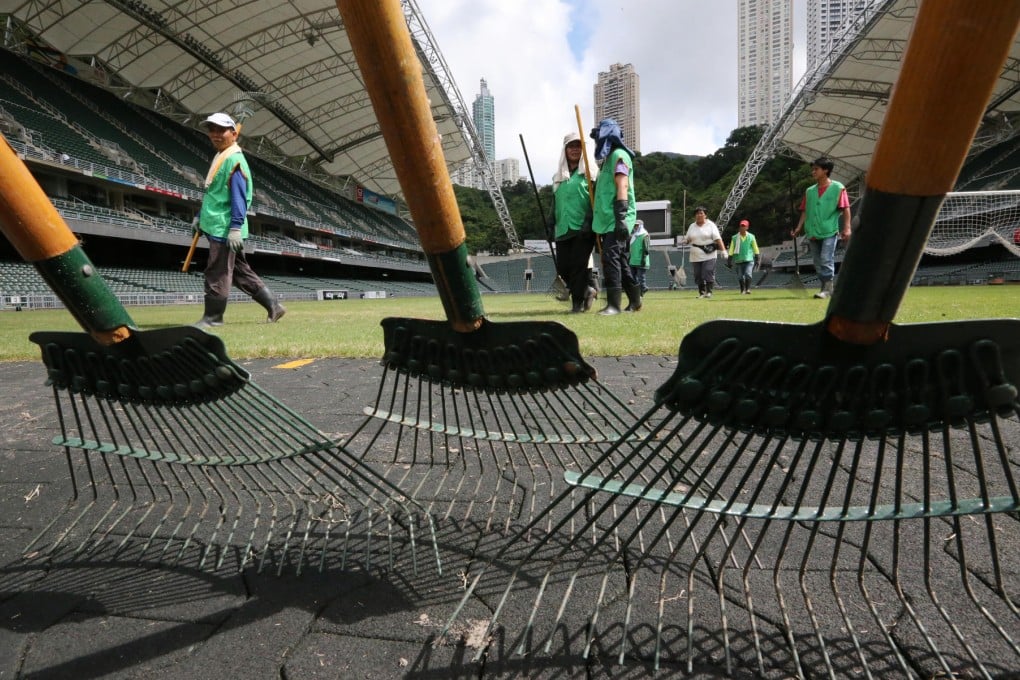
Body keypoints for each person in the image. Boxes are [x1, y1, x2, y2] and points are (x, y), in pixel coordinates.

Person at [194, 112, 285, 327]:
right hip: (215, 223)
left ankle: (213, 318)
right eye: (211, 130)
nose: (215, 135)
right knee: (240, 272)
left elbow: (239, 198)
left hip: (224, 228)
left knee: (217, 271)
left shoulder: (234, 160)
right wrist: (199, 216)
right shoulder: (223, 155)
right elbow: (214, 193)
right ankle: (274, 306)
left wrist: (235, 227)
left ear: (234, 134)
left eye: (220, 130)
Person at [589, 118, 641, 315]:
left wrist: (620, 219)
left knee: (611, 259)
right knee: (619, 260)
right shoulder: (606, 162)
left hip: (617, 219)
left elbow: (622, 186)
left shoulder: (619, 156)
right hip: (607, 221)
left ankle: (614, 305)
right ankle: (635, 301)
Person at [791, 156, 852, 299]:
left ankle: (828, 289)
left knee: (826, 259)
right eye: (813, 169)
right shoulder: (809, 191)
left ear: (826, 170)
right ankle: (825, 288)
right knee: (817, 263)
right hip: (811, 232)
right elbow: (805, 211)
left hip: (829, 231)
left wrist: (847, 228)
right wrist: (798, 228)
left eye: (816, 169)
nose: (813, 172)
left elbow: (846, 208)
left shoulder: (838, 187)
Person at [550, 132, 597, 313]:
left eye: (578, 145)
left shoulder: (591, 173)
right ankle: (587, 291)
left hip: (583, 228)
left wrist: (589, 220)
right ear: (565, 150)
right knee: (563, 268)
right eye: (571, 146)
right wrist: (550, 223)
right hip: (562, 228)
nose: (575, 149)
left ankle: (577, 304)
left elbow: (596, 200)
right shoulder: (558, 177)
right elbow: (555, 202)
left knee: (578, 267)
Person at [683, 206, 726, 298]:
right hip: (696, 253)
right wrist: (685, 241)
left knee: (708, 271)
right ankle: (702, 292)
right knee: (698, 274)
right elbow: (688, 238)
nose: (699, 215)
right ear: (695, 216)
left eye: (701, 213)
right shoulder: (692, 226)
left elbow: (718, 239)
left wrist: (723, 251)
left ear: (705, 215)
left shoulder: (711, 225)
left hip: (709, 252)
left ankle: (709, 291)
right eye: (697, 213)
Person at [728, 219, 760, 294]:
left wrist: (757, 258)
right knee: (740, 276)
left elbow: (755, 248)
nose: (742, 227)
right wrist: (729, 260)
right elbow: (731, 249)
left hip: (749, 259)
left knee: (748, 274)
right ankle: (742, 290)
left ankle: (748, 289)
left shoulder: (751, 237)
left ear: (747, 227)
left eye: (744, 226)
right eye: (741, 226)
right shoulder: (734, 237)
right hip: (738, 260)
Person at [628, 219, 651, 296]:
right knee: (633, 277)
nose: (635, 227)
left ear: (640, 226)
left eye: (637, 225)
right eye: (635, 225)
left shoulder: (645, 235)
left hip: (641, 260)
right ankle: (638, 292)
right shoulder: (634, 235)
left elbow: (646, 249)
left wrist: (643, 259)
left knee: (641, 277)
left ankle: (643, 289)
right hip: (633, 260)